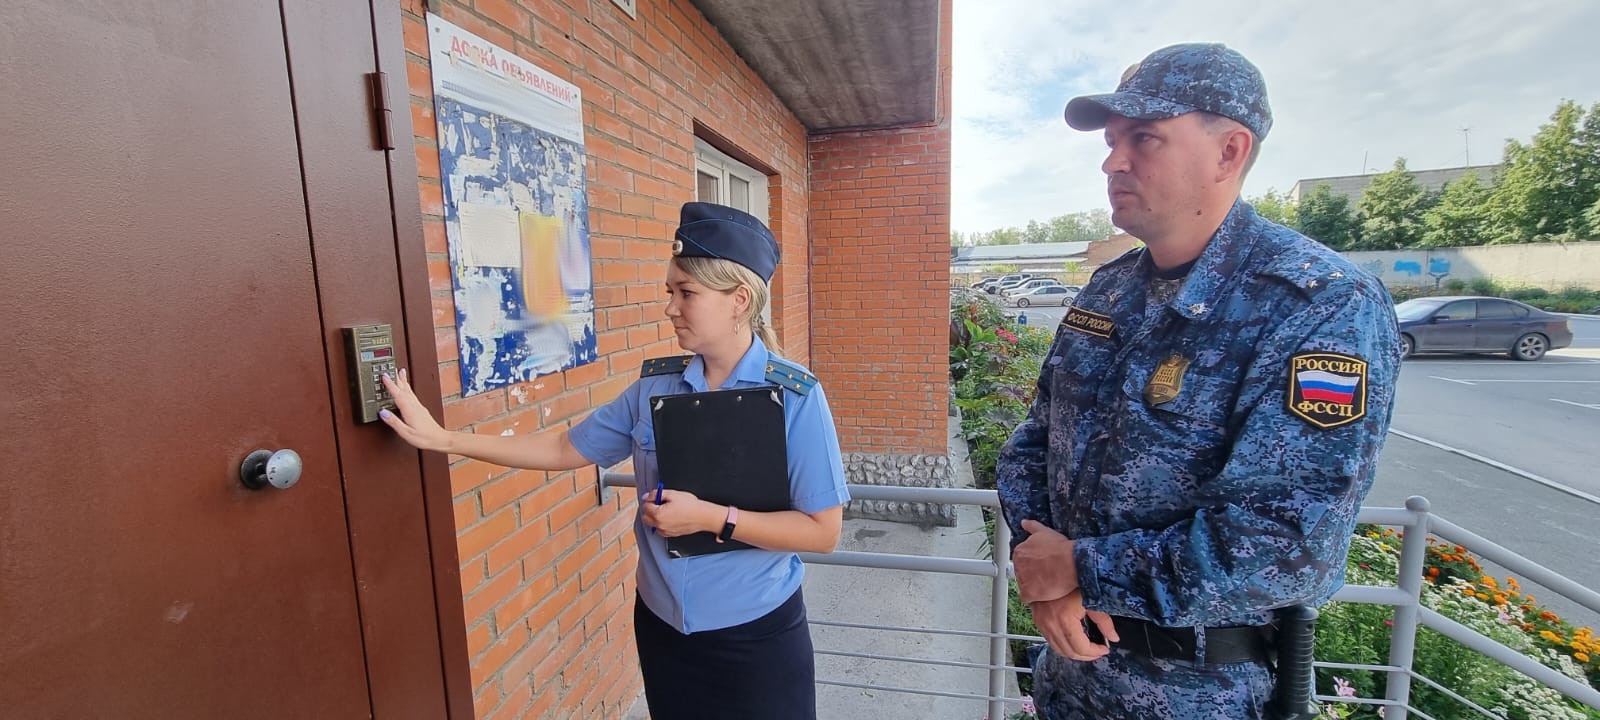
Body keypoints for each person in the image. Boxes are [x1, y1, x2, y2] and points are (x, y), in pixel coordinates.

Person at [996, 43, 1401, 719]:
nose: (1112, 162)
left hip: (1196, 693)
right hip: (1070, 678)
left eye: (1144, 138)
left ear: (1229, 152)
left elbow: (1288, 541)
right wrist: (1045, 574)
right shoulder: (1109, 290)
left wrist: (1081, 570)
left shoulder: (1320, 303)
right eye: (1112, 141)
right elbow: (1031, 445)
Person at [379, 202, 850, 720]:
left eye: (686, 293)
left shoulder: (795, 397)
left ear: (739, 299)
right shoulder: (654, 387)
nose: (671, 308)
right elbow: (564, 449)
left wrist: (713, 518)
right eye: (670, 292)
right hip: (663, 632)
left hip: (755, 639)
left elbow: (822, 532)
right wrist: (445, 439)